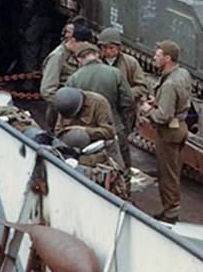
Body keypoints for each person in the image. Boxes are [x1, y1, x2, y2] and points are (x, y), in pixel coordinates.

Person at [139, 40, 192, 224]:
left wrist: (148, 109)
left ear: (168, 58)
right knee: (173, 171)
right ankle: (171, 210)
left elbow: (163, 116)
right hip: (180, 127)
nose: (154, 57)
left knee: (167, 175)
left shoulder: (169, 84)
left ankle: (170, 215)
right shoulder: (182, 73)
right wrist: (159, 100)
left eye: (158, 55)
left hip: (168, 133)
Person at [66, 42, 135, 170]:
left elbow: (68, 105)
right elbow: (129, 101)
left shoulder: (74, 79)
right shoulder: (115, 73)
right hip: (114, 126)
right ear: (97, 55)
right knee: (122, 168)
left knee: (89, 167)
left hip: (86, 132)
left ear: (79, 59)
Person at [53, 87, 126, 171]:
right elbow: (58, 132)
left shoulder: (99, 103)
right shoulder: (66, 105)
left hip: (101, 149)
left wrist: (85, 130)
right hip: (75, 152)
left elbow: (109, 132)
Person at [40, 21, 89, 124]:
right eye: (82, 46)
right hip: (61, 113)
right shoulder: (57, 57)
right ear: (73, 40)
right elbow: (47, 90)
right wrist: (67, 105)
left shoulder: (75, 55)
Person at [98, 28, 150, 103]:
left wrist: (126, 94)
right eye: (104, 47)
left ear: (118, 47)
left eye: (111, 48)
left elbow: (142, 87)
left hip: (125, 107)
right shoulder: (97, 62)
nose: (108, 51)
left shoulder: (130, 63)